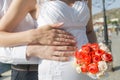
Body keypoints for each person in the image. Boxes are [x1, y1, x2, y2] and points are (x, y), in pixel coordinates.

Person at [0, 0, 97, 80]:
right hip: (53, 69)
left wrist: (97, 55)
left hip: (86, 68)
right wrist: (33, 36)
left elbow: (89, 31)